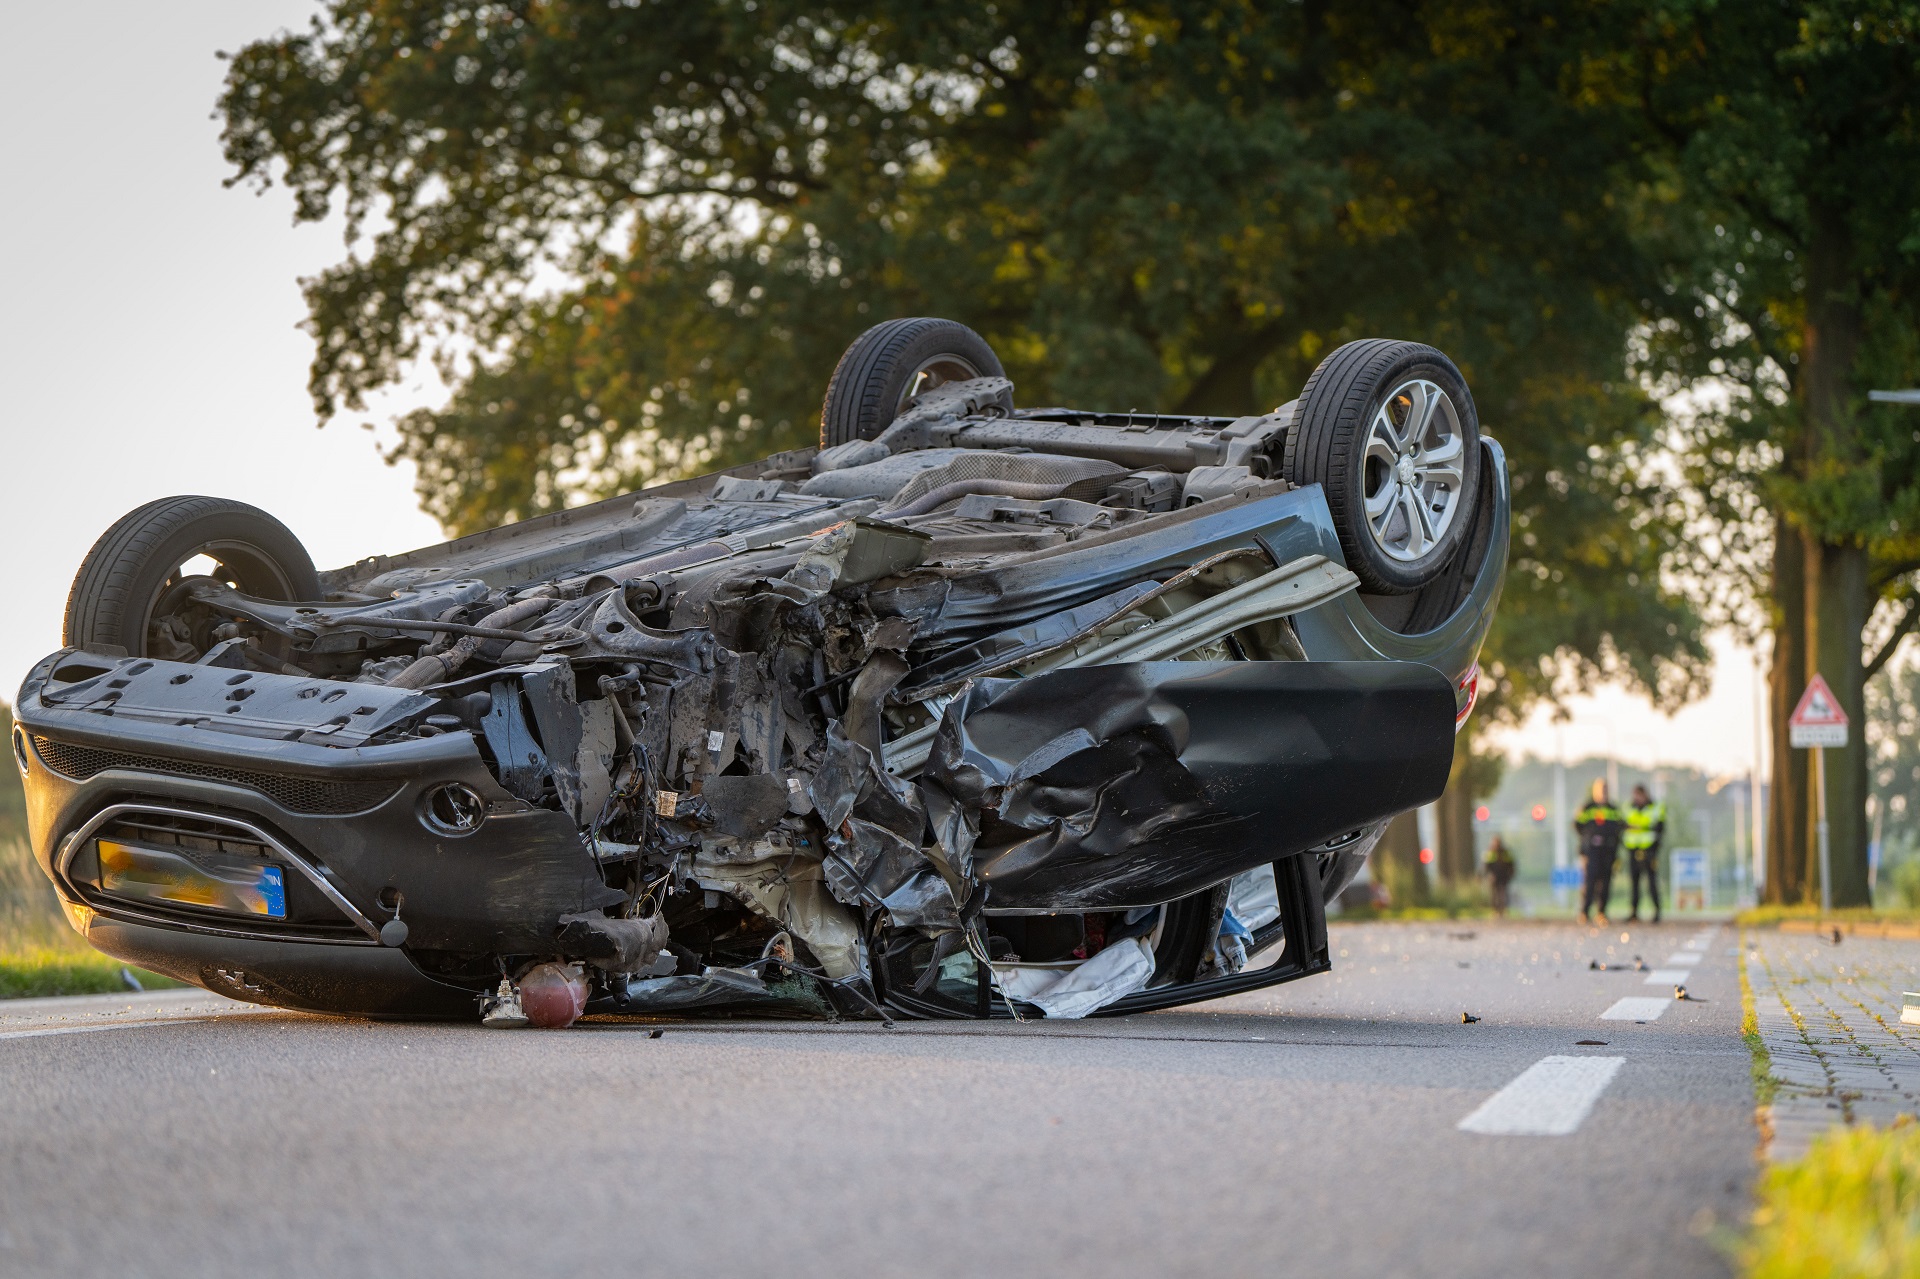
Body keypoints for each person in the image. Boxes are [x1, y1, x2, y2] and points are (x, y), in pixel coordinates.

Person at [1573, 780, 1624, 925]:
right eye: (1601, 790)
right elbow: (1577, 825)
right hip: (1591, 851)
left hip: (1608, 850)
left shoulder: (1613, 809)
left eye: (1606, 790)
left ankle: (1601, 913)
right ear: (1595, 791)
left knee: (1605, 883)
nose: (1603, 793)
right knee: (1589, 882)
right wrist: (1587, 840)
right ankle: (1584, 912)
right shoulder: (1587, 808)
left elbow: (1620, 827)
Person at [1623, 783, 1666, 923]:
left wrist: (1655, 848)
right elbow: (1623, 827)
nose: (1637, 798)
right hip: (1633, 850)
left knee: (1651, 882)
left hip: (1649, 851)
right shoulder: (1629, 808)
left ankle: (1657, 911)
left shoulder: (1655, 808)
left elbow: (1660, 829)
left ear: (1645, 795)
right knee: (1634, 884)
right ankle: (1634, 912)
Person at [1482, 836, 1517, 918]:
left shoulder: (1505, 852)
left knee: (1504, 893)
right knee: (1494, 894)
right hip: (1494, 877)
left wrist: (1510, 874)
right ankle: (1495, 910)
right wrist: (1488, 875)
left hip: (1504, 876)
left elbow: (1511, 864)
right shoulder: (1490, 852)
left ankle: (1504, 910)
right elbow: (1486, 866)